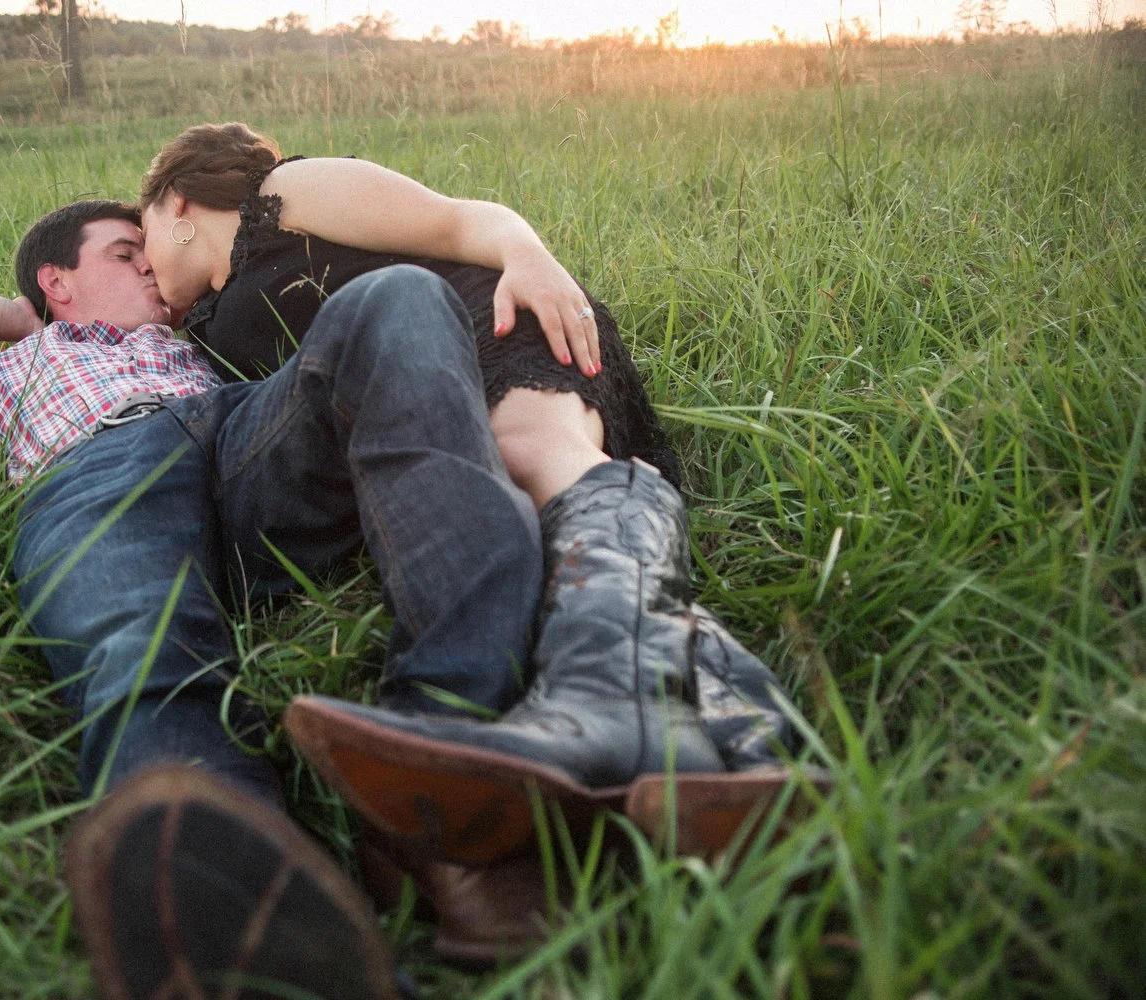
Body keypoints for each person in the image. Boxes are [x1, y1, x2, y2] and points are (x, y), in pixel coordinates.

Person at [0, 198, 577, 996]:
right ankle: (244, 936)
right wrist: (30, 317)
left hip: (238, 432)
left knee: (400, 296)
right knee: (142, 643)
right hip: (94, 472)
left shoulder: (192, 341)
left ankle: (447, 774)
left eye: (147, 250)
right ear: (55, 279)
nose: (147, 264)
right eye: (121, 253)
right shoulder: (12, 361)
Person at [136, 122, 810, 865]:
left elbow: (456, 218)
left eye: (139, 241)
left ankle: (607, 710)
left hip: (493, 316)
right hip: (433, 380)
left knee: (534, 461)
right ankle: (753, 741)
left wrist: (528, 254)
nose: (143, 271)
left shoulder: (284, 193)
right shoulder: (201, 328)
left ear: (178, 204)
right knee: (544, 512)